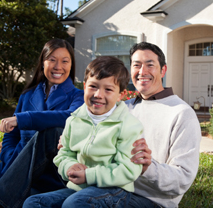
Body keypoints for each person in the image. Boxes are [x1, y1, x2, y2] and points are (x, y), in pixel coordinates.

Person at [0, 38, 84, 208]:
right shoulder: (28, 95)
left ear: (71, 65)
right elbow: (11, 135)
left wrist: (23, 119)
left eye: (64, 61)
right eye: (52, 59)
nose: (58, 66)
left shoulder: (79, 97)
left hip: (47, 176)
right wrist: (9, 156)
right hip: (13, 164)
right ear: (42, 62)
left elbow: (67, 117)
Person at [23, 56, 143, 208]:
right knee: (34, 203)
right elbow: (64, 153)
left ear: (120, 94)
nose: (98, 94)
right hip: (78, 188)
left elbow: (128, 169)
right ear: (85, 86)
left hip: (114, 190)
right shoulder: (75, 119)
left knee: (74, 204)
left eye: (108, 89)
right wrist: (69, 167)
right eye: (93, 86)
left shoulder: (128, 125)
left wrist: (89, 175)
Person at [125, 42, 201, 207]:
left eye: (150, 65)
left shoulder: (182, 113)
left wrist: (148, 168)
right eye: (136, 65)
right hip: (112, 187)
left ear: (163, 70)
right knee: (54, 200)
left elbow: (183, 178)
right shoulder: (125, 108)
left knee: (77, 202)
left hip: (153, 201)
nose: (142, 72)